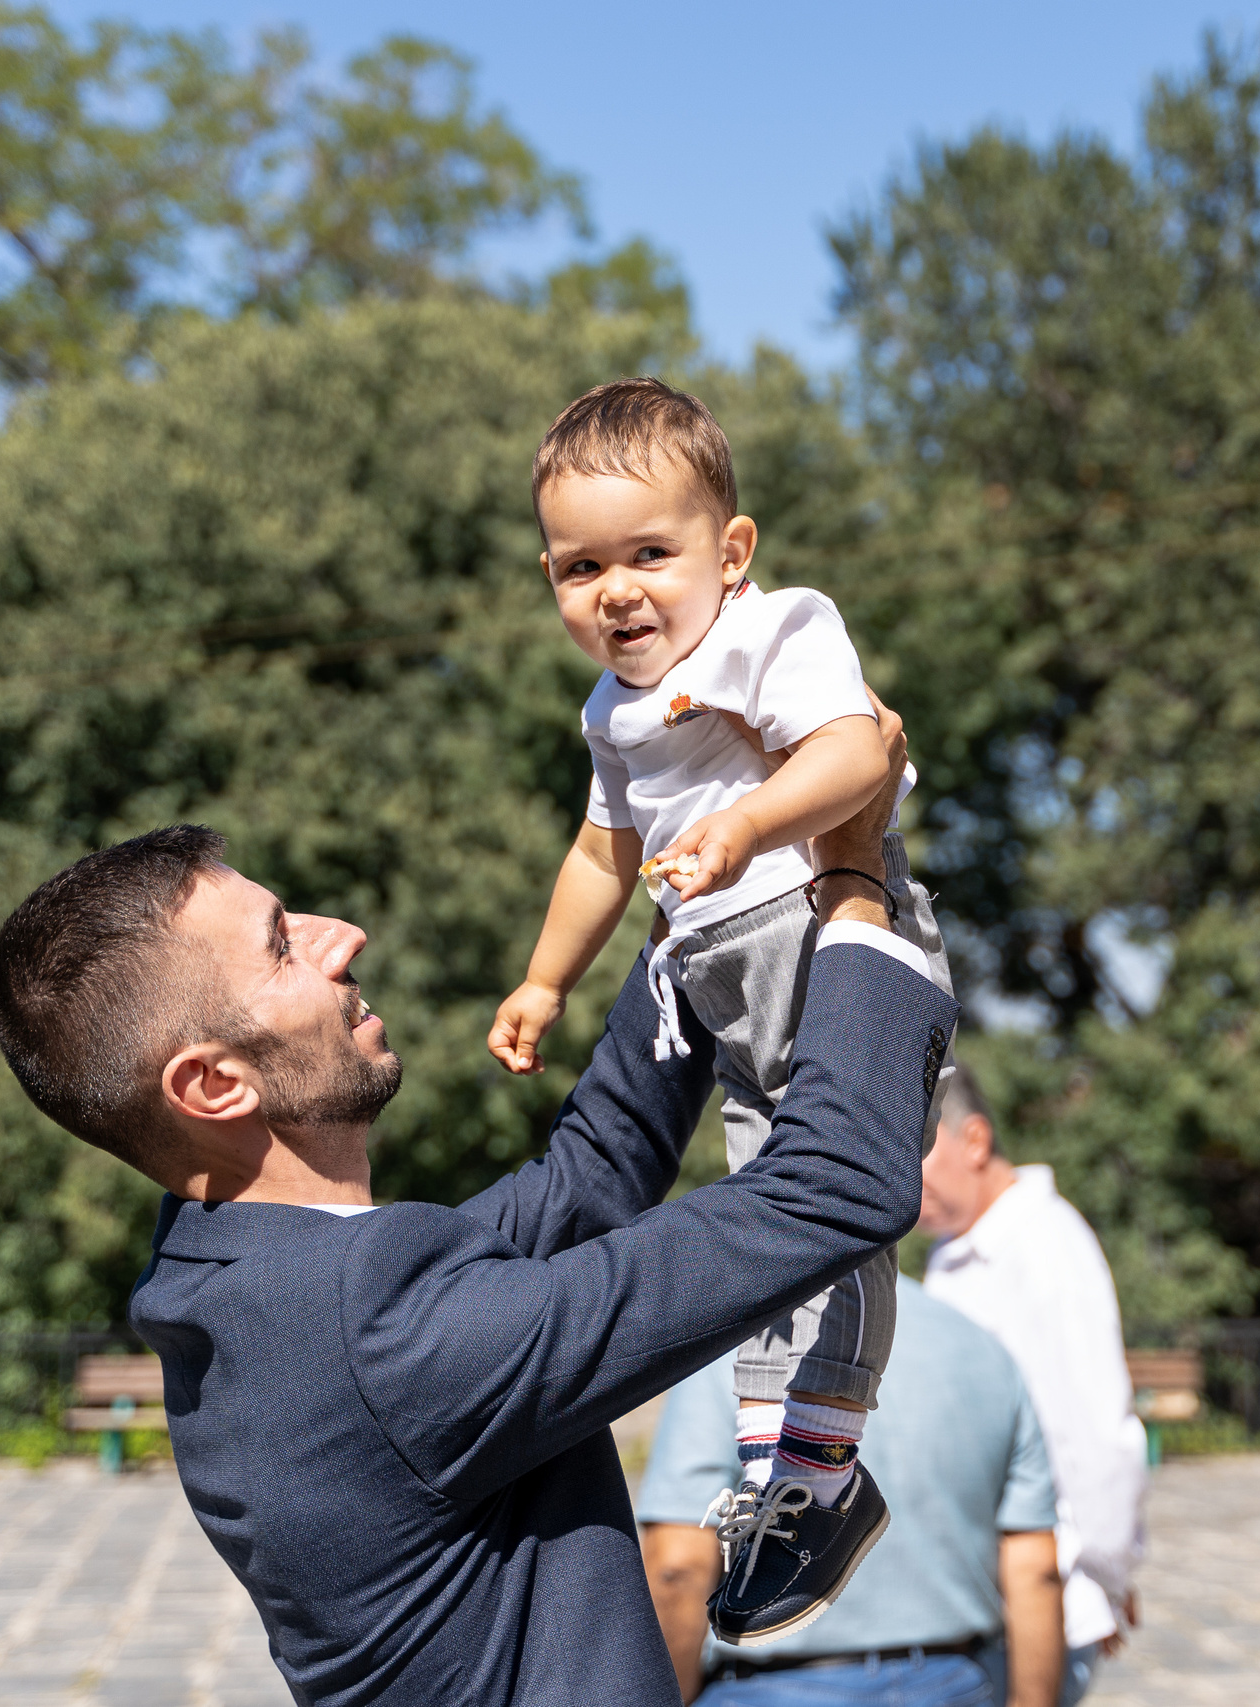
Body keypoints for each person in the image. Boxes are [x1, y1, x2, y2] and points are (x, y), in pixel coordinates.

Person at [0, 723, 958, 1706]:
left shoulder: (247, 1283)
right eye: (283, 946)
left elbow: (591, 1178)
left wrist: (692, 907)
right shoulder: (372, 1328)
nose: (342, 937)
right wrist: (854, 873)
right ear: (214, 1085)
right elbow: (835, 1184)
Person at [487, 377, 956, 1644]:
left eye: (650, 552)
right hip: (719, 985)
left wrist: (748, 824)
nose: (617, 590)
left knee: (832, 1204)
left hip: (829, 943)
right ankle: (785, 1472)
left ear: (729, 551)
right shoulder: (609, 710)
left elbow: (861, 753)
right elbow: (599, 856)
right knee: (764, 1224)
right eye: (581, 567)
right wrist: (546, 980)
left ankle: (818, 1472)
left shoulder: (772, 630)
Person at [638, 1277, 1066, 1707]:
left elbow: (678, 1567)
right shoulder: (983, 1350)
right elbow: (1036, 1569)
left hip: (768, 1689)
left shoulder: (740, 1342)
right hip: (954, 1683)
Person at [918, 1065, 1147, 1707]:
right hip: (980, 1594)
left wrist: (1103, 1577)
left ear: (976, 1141)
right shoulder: (955, 1250)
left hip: (1045, 1594)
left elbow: (1098, 1431)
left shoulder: (1046, 1248)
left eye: (919, 1154)